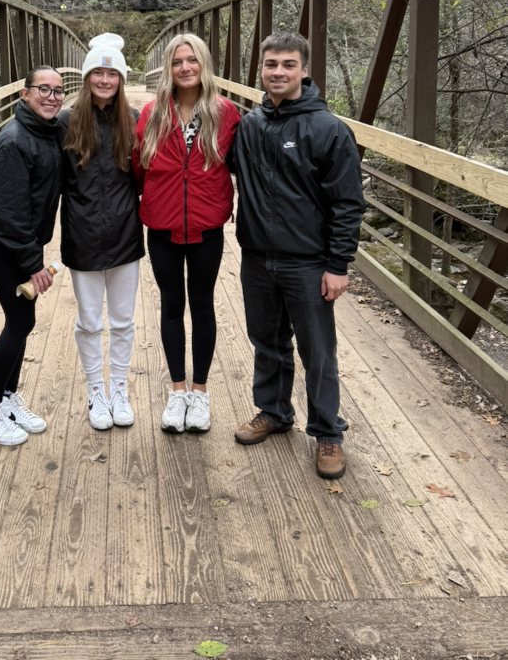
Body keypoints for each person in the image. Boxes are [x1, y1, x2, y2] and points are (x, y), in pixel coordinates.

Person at [232, 31, 364, 479]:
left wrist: (338, 264)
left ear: (305, 71)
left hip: (307, 262)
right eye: (271, 64)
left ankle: (328, 432)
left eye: (288, 65)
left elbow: (347, 203)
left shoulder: (329, 130)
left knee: (318, 351)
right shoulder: (248, 126)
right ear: (261, 70)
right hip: (256, 257)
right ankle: (273, 411)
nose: (278, 72)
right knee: (266, 342)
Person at [133, 33, 240, 434]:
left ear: (204, 64)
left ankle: (200, 392)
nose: (185, 68)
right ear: (168, 67)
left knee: (203, 304)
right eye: (177, 61)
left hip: (206, 227)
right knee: (171, 305)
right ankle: (177, 391)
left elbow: (244, 165)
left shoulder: (225, 113)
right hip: (161, 227)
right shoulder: (153, 113)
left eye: (192, 60)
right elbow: (138, 168)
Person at [0, 66, 65, 446]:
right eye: (42, 89)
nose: (52, 97)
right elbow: (10, 216)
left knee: (23, 319)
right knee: (20, 320)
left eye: (58, 91)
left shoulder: (48, 130)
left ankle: (8, 399)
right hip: (3, 241)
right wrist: (33, 265)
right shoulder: (13, 142)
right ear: (24, 95)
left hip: (22, 238)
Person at [59, 33, 144, 430]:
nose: (105, 79)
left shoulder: (135, 120)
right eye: (98, 72)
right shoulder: (65, 122)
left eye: (112, 73)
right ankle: (96, 390)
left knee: (123, 321)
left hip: (126, 232)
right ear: (88, 75)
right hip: (83, 235)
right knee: (90, 321)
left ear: (122, 78)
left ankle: (119, 389)